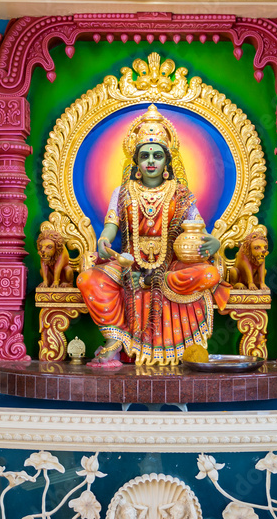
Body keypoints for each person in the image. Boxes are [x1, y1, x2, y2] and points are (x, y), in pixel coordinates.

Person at [76, 104, 230, 365]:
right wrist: (104, 240)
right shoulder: (122, 192)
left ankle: (154, 282)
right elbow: (111, 226)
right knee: (87, 280)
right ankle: (116, 339)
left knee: (208, 273)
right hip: (128, 266)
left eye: (157, 156)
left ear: (167, 162)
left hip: (171, 266)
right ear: (135, 161)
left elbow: (198, 231)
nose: (150, 161)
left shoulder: (180, 193)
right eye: (144, 155)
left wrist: (213, 242)